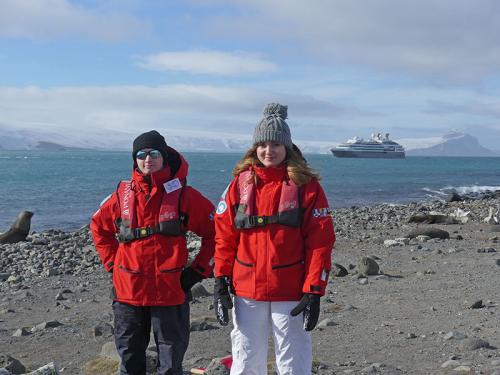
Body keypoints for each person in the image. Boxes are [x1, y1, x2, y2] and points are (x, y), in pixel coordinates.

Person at [213, 103, 335, 374]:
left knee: (292, 360)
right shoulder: (239, 185)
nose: (269, 151)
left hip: (290, 291)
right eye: (263, 144)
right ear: (255, 147)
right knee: (245, 359)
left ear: (287, 147)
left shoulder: (307, 187)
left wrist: (314, 290)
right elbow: (224, 237)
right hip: (246, 291)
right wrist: (220, 282)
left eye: (276, 144)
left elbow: (321, 242)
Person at [90, 130, 215, 375]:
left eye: (155, 153)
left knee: (170, 363)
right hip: (128, 293)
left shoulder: (184, 196)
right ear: (134, 159)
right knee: (129, 359)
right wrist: (113, 265)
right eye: (142, 154)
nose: (148, 159)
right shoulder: (121, 197)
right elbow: (98, 227)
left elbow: (218, 232)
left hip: (169, 292)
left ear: (165, 156)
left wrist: (198, 271)